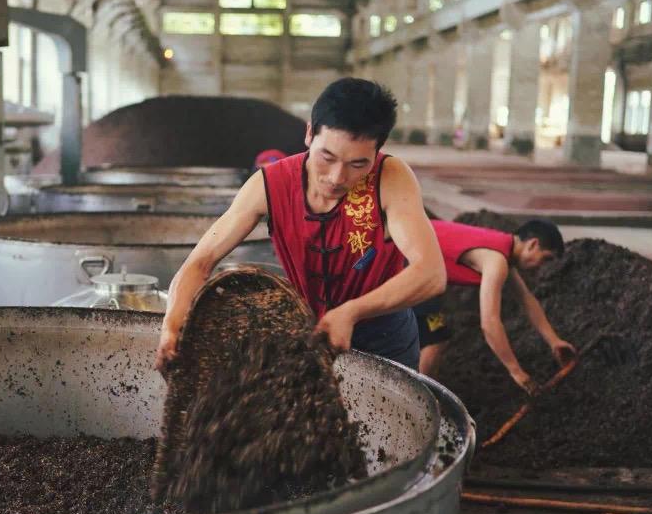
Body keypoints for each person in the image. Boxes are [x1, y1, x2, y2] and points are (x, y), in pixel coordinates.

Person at [155, 78, 446, 371]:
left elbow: (431, 273)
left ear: (377, 151)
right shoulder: (270, 184)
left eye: (357, 164)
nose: (336, 177)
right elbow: (199, 262)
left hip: (384, 334)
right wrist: (173, 324)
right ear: (309, 134)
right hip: (308, 329)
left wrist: (353, 312)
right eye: (327, 157)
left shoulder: (390, 177)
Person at [415, 218, 577, 393]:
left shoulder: (503, 251)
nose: (541, 266)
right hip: (407, 256)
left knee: (434, 333)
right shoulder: (497, 261)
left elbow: (527, 299)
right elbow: (490, 324)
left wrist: (554, 341)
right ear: (533, 244)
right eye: (545, 258)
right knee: (435, 338)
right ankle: (419, 395)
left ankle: (425, 390)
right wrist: (518, 374)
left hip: (418, 261)